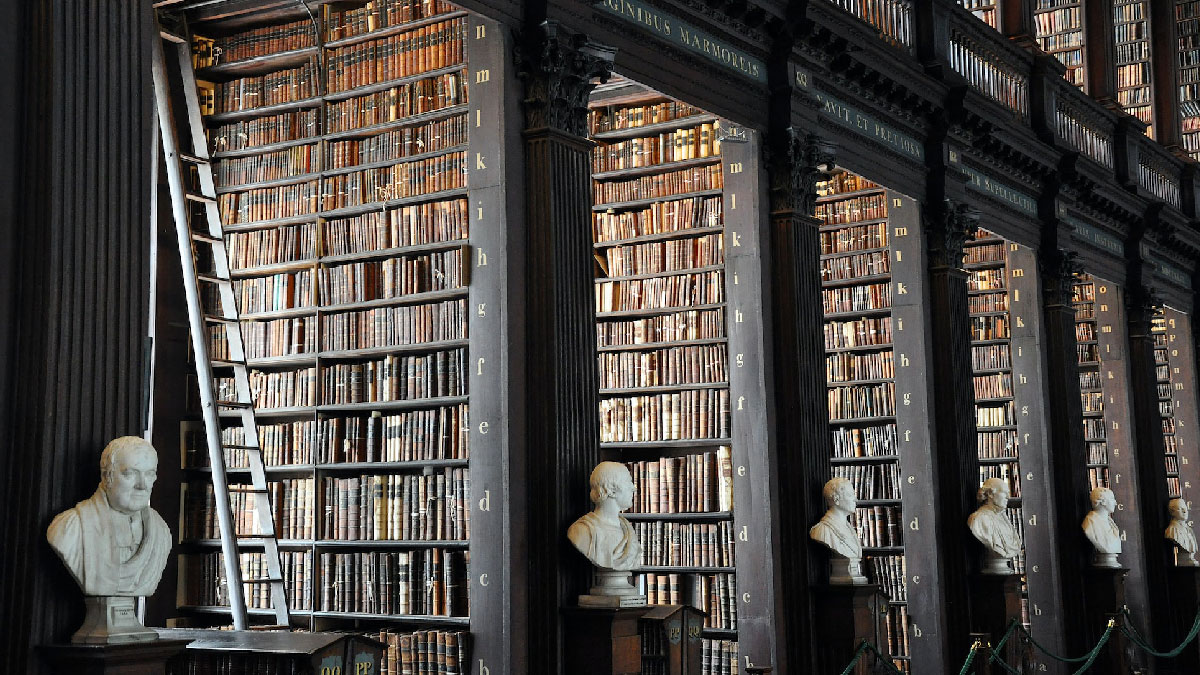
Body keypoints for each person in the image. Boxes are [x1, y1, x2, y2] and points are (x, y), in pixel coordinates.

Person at [47, 436, 171, 596]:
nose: (142, 485)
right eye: (130, 474)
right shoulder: (70, 528)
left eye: (149, 474)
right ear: (106, 477)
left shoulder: (161, 531)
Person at [567, 461, 641, 571]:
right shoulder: (582, 531)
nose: (633, 488)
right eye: (628, 481)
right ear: (611, 489)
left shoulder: (628, 530)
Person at [967, 478, 1022, 574]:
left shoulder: (1004, 518)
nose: (1008, 497)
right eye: (1004, 492)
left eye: (1008, 493)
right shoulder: (979, 519)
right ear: (990, 494)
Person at [810, 477, 862, 560]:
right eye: (850, 495)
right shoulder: (822, 530)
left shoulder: (848, 527)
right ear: (836, 499)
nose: (855, 500)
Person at [1082, 487, 1122, 567]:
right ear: (1103, 502)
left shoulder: (1110, 522)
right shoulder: (1091, 522)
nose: (1115, 503)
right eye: (1112, 499)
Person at [1166, 498, 1198, 567]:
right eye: (1180, 509)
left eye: (1185, 508)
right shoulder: (1172, 530)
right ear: (1172, 512)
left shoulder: (1189, 529)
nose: (1185, 511)